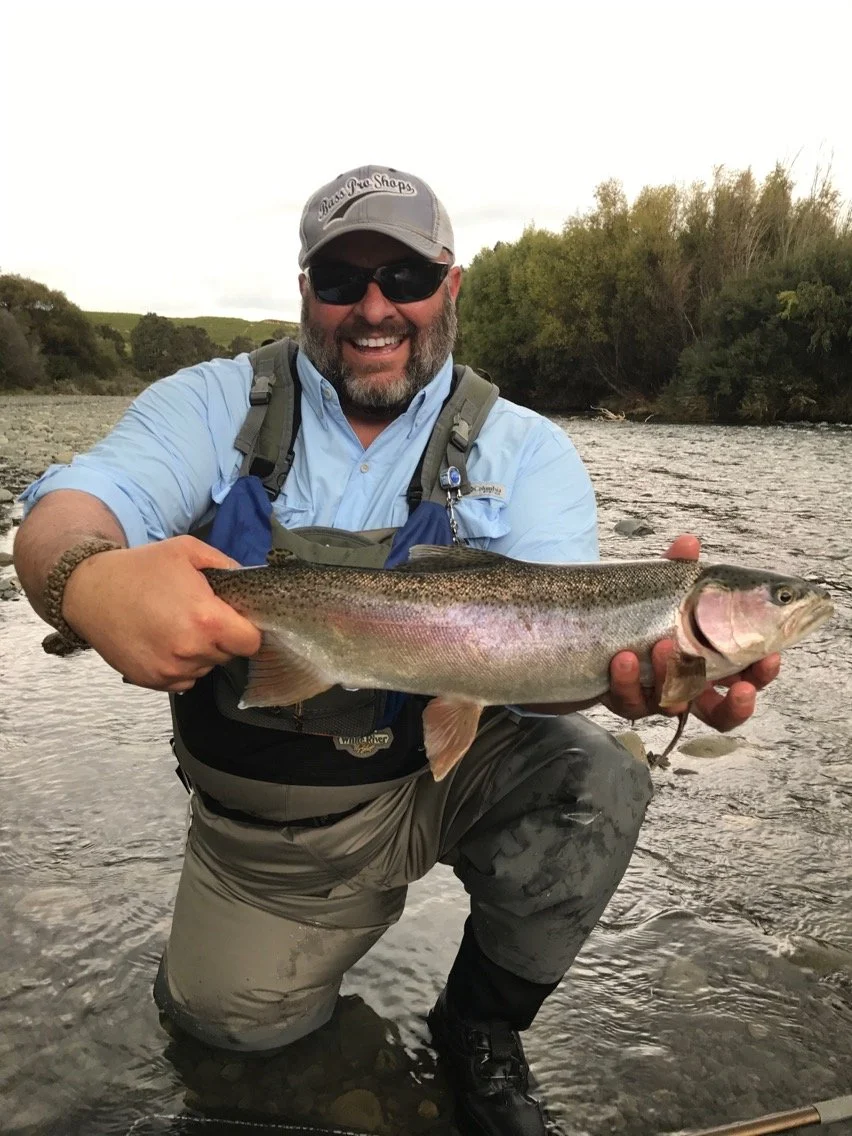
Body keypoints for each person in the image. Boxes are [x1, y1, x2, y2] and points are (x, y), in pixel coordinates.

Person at [14, 165, 779, 1136]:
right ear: (305, 294)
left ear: (449, 289)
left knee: (599, 774)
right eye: (342, 280)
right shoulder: (212, 404)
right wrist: (86, 578)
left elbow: (534, 663)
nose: (375, 307)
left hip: (448, 763)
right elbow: (64, 512)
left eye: (406, 278)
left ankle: (478, 1029)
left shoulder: (524, 449)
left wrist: (618, 687)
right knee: (224, 1039)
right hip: (282, 838)